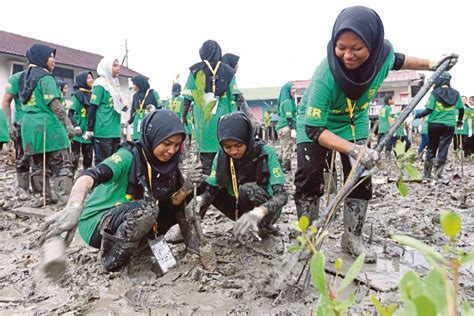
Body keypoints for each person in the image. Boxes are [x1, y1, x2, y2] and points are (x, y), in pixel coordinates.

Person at [296, 6, 456, 262]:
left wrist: (431, 64)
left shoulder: (382, 56)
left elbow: (400, 59)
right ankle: (308, 240)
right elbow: (315, 129)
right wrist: (354, 149)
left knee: (360, 178)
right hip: (318, 124)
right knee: (308, 179)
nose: (347, 55)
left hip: (353, 122)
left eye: (357, 48)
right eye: (341, 47)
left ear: (372, 44)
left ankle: (352, 239)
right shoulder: (325, 75)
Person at [41, 109, 205, 271]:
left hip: (134, 216)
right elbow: (88, 177)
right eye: (167, 144)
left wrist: (187, 187)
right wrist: (73, 208)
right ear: (152, 137)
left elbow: (175, 203)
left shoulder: (169, 165)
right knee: (146, 210)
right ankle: (113, 263)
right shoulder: (128, 156)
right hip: (99, 220)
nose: (171, 151)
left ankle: (142, 246)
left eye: (177, 145)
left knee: (175, 205)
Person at [194, 112, 288, 237]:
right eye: (227, 147)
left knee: (248, 189)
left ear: (247, 139)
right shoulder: (221, 156)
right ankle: (193, 228)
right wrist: (200, 200)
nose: (233, 151)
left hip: (263, 209)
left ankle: (265, 227)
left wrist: (260, 211)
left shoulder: (265, 152)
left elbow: (282, 196)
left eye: (238, 145)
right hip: (238, 207)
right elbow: (211, 190)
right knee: (201, 181)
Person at [18, 44, 75, 205]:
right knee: (61, 163)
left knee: (37, 165)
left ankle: (44, 197)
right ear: (41, 58)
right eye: (51, 57)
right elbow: (55, 104)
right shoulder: (45, 77)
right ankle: (65, 200)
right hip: (48, 126)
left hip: (29, 127)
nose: (54, 60)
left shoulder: (23, 77)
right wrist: (68, 124)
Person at [181, 40, 239, 175]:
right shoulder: (229, 71)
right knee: (225, 164)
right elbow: (238, 97)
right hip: (225, 127)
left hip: (203, 125)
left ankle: (208, 192)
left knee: (206, 165)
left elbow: (187, 99)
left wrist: (182, 118)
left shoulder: (195, 71)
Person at [415, 72, 463, 179]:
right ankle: (438, 173)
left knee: (432, 147)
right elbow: (461, 109)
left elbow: (428, 110)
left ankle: (427, 173)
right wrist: (459, 120)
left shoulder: (435, 93)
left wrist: (416, 115)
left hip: (434, 124)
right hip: (449, 125)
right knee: (444, 147)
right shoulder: (456, 93)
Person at [85, 57, 125, 165]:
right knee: (103, 163)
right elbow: (93, 107)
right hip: (103, 131)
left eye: (119, 66)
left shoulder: (115, 84)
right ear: (107, 67)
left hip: (115, 130)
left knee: (114, 163)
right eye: (114, 65)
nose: (118, 68)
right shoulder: (100, 83)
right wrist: (90, 128)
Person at [2, 69, 30, 194]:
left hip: (41, 125)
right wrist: (9, 125)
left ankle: (39, 190)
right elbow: (6, 101)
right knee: (23, 156)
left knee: (39, 158)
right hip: (22, 123)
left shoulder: (46, 78)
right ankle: (23, 188)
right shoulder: (17, 78)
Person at [69, 71, 94, 172]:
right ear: (82, 80)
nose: (91, 79)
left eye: (92, 77)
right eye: (88, 78)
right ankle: (71, 178)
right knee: (74, 158)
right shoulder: (76, 95)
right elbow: (70, 114)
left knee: (88, 158)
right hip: (78, 133)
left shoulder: (94, 95)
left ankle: (85, 179)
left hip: (89, 132)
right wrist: (76, 126)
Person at [128, 75, 161, 141]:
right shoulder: (135, 96)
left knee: (149, 143)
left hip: (150, 124)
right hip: (138, 126)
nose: (133, 86)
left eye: (134, 84)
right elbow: (133, 111)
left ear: (140, 84)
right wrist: (128, 122)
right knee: (138, 145)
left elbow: (160, 109)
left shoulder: (154, 93)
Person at [165, 83, 192, 158]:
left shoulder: (169, 101)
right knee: (184, 141)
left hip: (170, 126)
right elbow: (186, 114)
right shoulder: (183, 100)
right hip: (181, 125)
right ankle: (185, 155)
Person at [276, 82, 297, 172]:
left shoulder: (287, 101)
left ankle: (279, 166)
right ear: (287, 91)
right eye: (292, 89)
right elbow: (289, 117)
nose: (294, 90)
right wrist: (292, 129)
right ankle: (286, 168)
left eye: (295, 88)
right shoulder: (287, 102)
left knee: (282, 147)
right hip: (286, 127)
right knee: (287, 147)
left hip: (281, 127)